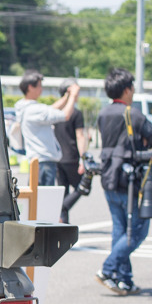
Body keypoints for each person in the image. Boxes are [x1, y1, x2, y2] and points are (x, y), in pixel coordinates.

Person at [95, 67, 152, 296]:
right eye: (131, 87)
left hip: (108, 177)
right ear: (126, 90)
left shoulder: (103, 114)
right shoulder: (133, 114)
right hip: (129, 180)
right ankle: (108, 269)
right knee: (137, 231)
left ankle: (124, 280)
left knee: (120, 229)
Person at [14, 70, 80, 186]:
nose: (41, 89)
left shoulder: (25, 108)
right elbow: (65, 115)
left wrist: (66, 97)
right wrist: (73, 96)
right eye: (39, 86)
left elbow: (50, 110)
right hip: (44, 162)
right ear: (30, 87)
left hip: (37, 161)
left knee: (36, 200)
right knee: (43, 201)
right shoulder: (35, 110)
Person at [53, 78, 90, 223]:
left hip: (57, 158)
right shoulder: (76, 113)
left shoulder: (55, 112)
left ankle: (63, 222)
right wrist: (83, 158)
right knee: (84, 186)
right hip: (72, 157)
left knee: (63, 190)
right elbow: (80, 136)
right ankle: (63, 208)